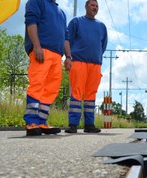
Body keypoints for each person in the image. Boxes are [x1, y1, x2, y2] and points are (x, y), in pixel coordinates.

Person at [24, 0, 72, 136]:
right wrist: (37, 46)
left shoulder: (61, 13)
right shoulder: (36, 2)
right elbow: (31, 22)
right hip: (41, 51)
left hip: (57, 55)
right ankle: (31, 122)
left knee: (51, 89)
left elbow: (66, 37)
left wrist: (68, 57)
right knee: (37, 85)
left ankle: (42, 122)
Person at [65, 0, 108, 134]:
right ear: (86, 6)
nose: (95, 8)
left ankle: (89, 124)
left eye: (96, 6)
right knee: (76, 92)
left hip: (95, 64)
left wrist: (96, 56)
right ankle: (73, 124)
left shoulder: (101, 26)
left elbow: (103, 45)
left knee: (91, 95)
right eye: (92, 5)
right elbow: (67, 40)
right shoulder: (76, 22)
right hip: (78, 62)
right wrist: (68, 57)